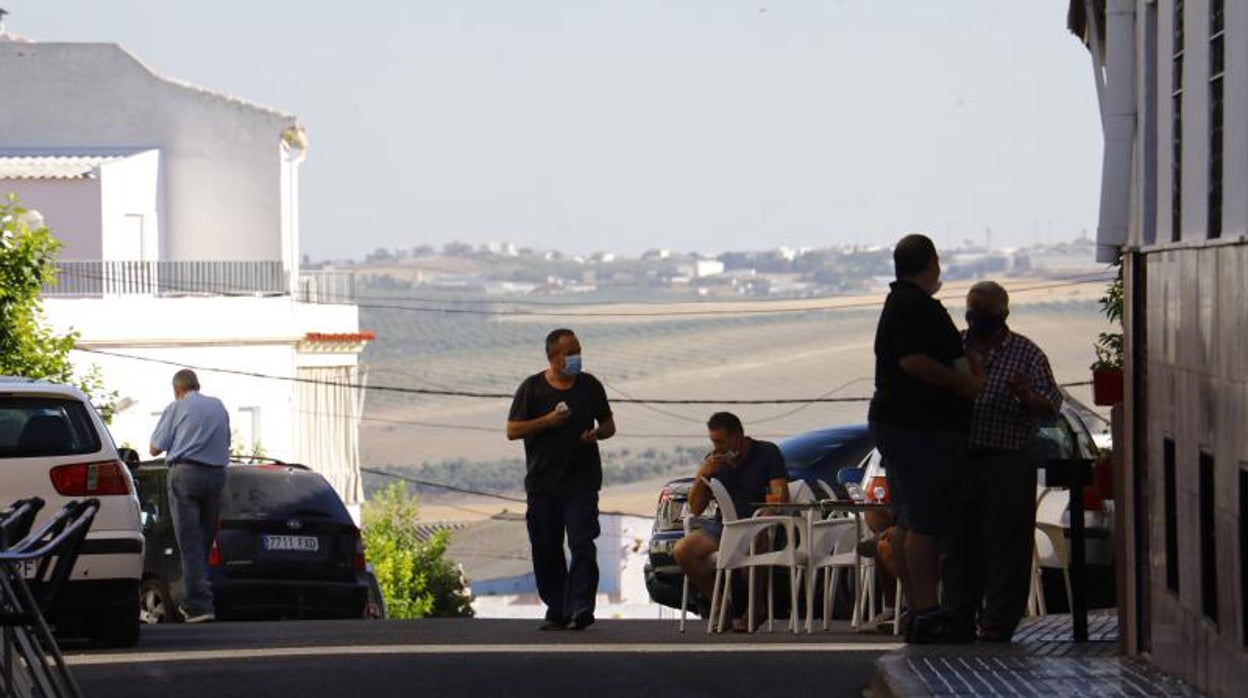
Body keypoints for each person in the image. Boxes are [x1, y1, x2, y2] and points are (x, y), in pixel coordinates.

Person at [867, 233, 984, 643]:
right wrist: (961, 383)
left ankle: (918, 609)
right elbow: (914, 361)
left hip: (903, 426)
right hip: (920, 429)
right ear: (931, 263)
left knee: (908, 523)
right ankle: (928, 610)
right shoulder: (914, 308)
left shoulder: (899, 305)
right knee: (925, 524)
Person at [942, 281, 1062, 642]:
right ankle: (957, 618)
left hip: (1007, 462)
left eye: (984, 308)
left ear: (1003, 314)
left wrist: (1028, 397)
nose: (976, 314)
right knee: (959, 544)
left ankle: (998, 623)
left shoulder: (1027, 354)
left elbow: (1052, 407)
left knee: (1007, 545)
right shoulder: (954, 349)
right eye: (971, 306)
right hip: (961, 461)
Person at [507, 329, 616, 630]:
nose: (577, 357)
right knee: (546, 547)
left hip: (582, 481)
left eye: (578, 350)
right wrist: (546, 422)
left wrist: (596, 433)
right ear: (553, 357)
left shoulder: (589, 386)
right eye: (571, 352)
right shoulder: (532, 389)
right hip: (543, 484)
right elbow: (512, 430)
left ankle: (581, 606)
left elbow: (609, 424)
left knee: (582, 542)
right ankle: (558, 607)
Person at [672, 412, 788, 631]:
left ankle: (756, 607)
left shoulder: (766, 453)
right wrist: (702, 475)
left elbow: (781, 495)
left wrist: (768, 510)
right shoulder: (714, 461)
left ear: (738, 437)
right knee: (682, 551)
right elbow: (695, 508)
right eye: (713, 441)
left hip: (755, 524)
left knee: (756, 541)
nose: (717, 447)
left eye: (721, 441)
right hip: (723, 526)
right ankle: (719, 605)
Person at [149, 369, 231, 623]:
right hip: (216, 475)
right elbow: (226, 440)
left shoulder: (177, 407)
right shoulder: (218, 406)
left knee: (190, 543)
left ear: (177, 390)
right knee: (204, 542)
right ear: (198, 385)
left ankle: (197, 605)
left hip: (185, 475)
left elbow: (154, 448)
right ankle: (191, 595)